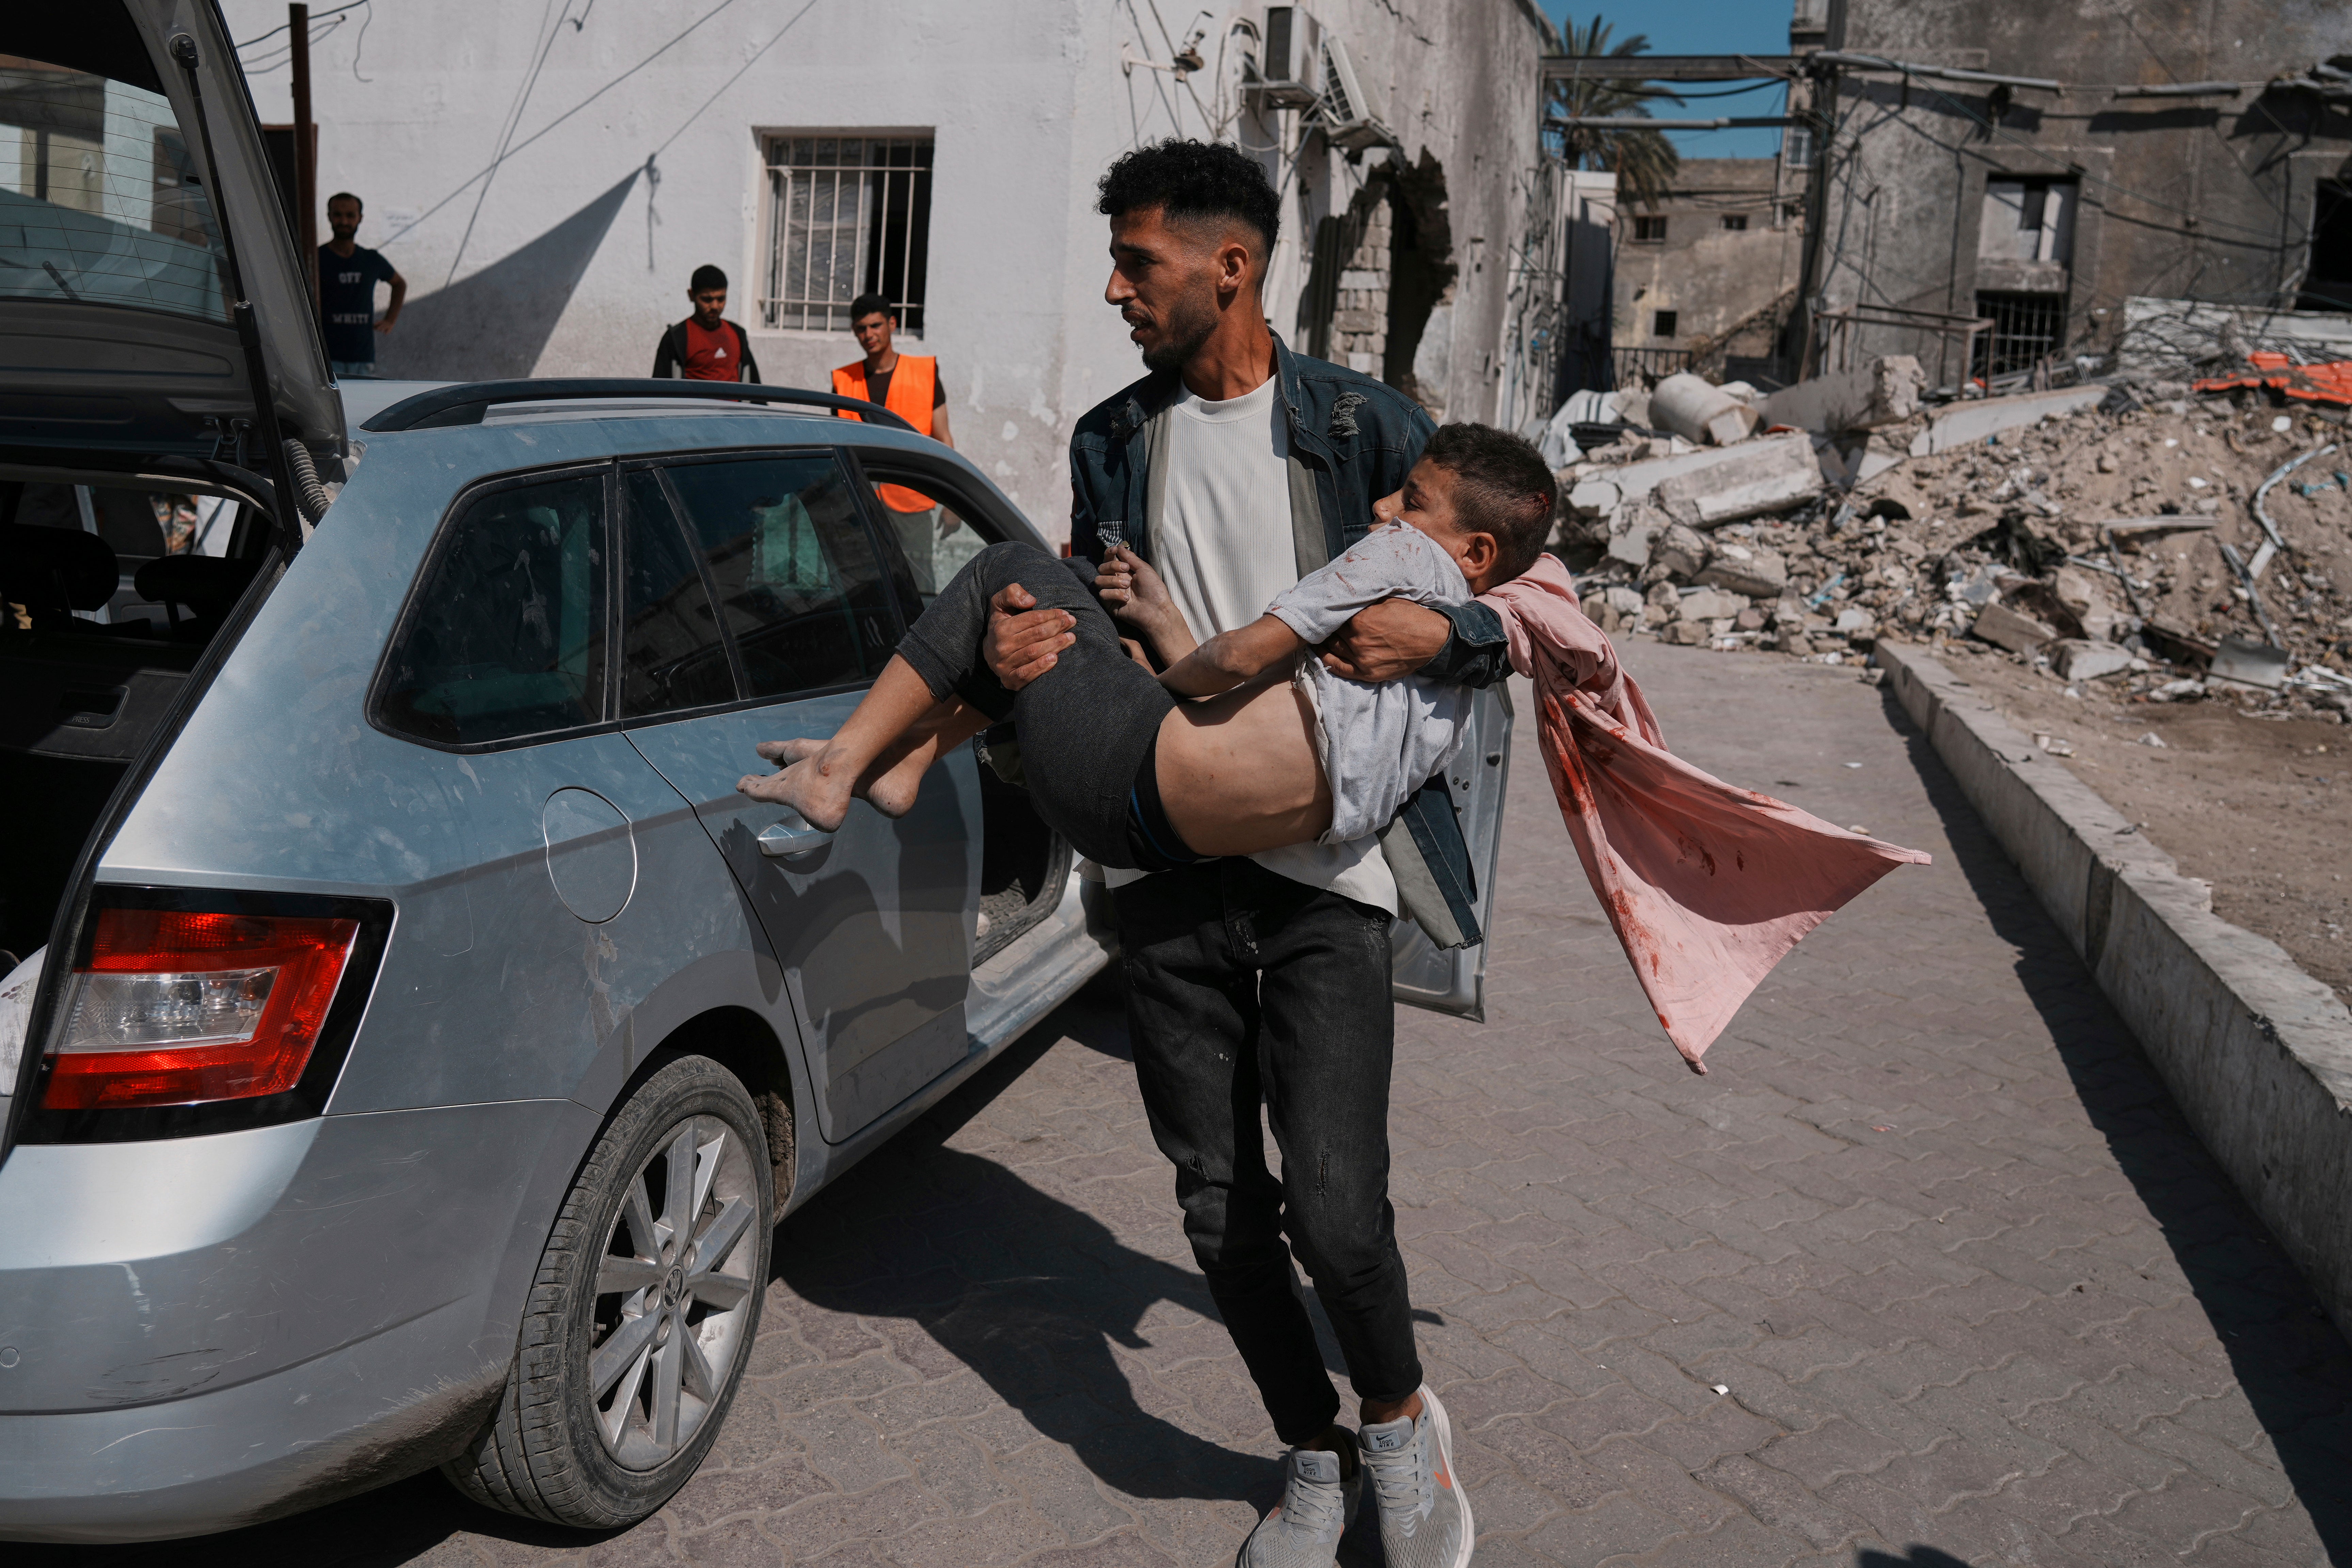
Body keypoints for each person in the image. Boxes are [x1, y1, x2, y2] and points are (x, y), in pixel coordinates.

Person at [992, 139, 1513, 1568]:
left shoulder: (1368, 430)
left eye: (1138, 265)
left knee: (1338, 1209)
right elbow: (1096, 650)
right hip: (1168, 876)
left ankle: (1403, 1426)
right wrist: (1030, 654)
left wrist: (1455, 630)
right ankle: (1312, 1452)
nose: (1114, 290)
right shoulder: (1113, 438)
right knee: (1220, 1208)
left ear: (1229, 267)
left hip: (1324, 878)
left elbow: (1517, 592)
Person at [738, 427, 1549, 881]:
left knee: (1010, 574)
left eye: (1411, 498)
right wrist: (1159, 630)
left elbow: (1234, 663)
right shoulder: (1457, 675)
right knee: (1046, 625)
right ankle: (907, 760)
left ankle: (836, 767)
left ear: (1473, 550)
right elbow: (1269, 718)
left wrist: (1143, 682)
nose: (1383, 506)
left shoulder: (1403, 558)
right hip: (1160, 841)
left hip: (1120, 770)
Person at [831, 293, 963, 593]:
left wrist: (952, 503)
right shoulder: (844, 380)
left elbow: (944, 439)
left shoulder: (924, 373)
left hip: (913, 499)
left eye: (876, 326)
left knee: (920, 584)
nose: (869, 335)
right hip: (860, 502)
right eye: (861, 329)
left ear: (892, 324)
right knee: (865, 584)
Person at [319, 192, 406, 381]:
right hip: (325, 358)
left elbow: (399, 284)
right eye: (338, 215)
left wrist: (390, 320)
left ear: (360, 219)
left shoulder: (371, 260)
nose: (344, 221)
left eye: (350, 216)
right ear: (329, 217)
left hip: (363, 358)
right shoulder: (316, 258)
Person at [651, 265, 762, 382]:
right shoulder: (676, 338)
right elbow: (659, 389)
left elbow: (755, 386)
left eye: (721, 299)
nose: (715, 306)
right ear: (691, 295)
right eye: (707, 300)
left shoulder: (738, 334)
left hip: (734, 402)